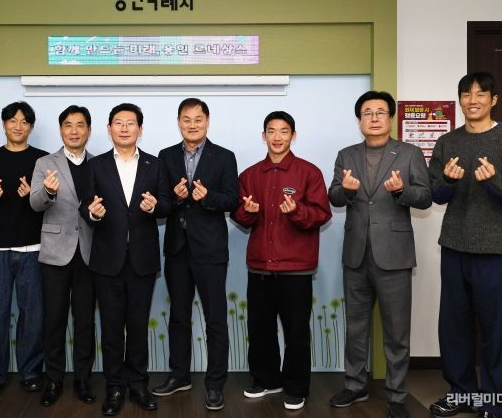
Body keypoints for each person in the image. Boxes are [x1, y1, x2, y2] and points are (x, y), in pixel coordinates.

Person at [428, 72, 502, 418]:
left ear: (494, 100)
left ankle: (495, 402)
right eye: (466, 94)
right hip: (454, 248)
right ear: (459, 99)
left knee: (495, 329)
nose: (472, 100)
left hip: (495, 252)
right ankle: (461, 394)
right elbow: (435, 195)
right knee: (453, 328)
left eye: (480, 94)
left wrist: (494, 182)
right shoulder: (447, 142)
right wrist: (447, 181)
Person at [328, 91, 432, 418]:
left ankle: (397, 395)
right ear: (359, 120)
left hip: (395, 255)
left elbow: (425, 197)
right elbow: (334, 196)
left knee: (396, 331)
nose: (374, 118)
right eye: (367, 113)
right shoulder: (346, 155)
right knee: (355, 327)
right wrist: (346, 191)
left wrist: (401, 191)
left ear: (390, 117)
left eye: (380, 112)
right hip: (356, 254)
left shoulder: (410, 153)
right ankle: (355, 385)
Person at [231, 111, 331, 410]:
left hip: (295, 269)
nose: (277, 137)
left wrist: (297, 211)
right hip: (260, 266)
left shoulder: (309, 172)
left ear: (293, 136)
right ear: (263, 136)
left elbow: (322, 214)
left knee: (296, 331)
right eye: (271, 131)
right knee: (260, 329)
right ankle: (266, 380)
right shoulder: (249, 175)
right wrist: (248, 211)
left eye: (284, 131)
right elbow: (240, 216)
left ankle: (296, 387)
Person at [80, 103, 171, 416]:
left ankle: (138, 384)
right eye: (118, 123)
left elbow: (167, 204)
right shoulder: (96, 165)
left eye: (130, 123)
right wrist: (93, 213)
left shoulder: (155, 164)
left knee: (138, 327)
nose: (124, 128)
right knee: (111, 328)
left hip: (142, 260)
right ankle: (115, 387)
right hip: (107, 260)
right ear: (109, 129)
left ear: (140, 129)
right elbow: (86, 206)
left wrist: (155, 207)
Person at [154, 98, 239, 411]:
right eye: (186, 119)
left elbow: (232, 200)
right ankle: (180, 376)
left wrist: (208, 197)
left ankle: (215, 385)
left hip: (210, 250)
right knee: (178, 316)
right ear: (178, 122)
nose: (192, 125)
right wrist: (176, 198)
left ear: (207, 121)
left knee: (215, 319)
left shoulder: (224, 156)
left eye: (198, 119)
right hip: (177, 248)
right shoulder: (165, 156)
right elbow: (161, 203)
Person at [0, 101, 48, 396]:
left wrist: (33, 197)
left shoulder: (42, 159)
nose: (18, 126)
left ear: (31, 126)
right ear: (4, 124)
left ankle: (31, 372)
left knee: (33, 315)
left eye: (24, 121)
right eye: (13, 121)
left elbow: (49, 204)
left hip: (33, 247)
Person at [30, 105, 97, 407]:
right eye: (68, 125)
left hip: (89, 252)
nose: (74, 131)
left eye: (80, 125)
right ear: (61, 130)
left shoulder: (99, 164)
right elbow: (35, 203)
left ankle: (83, 380)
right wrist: (48, 191)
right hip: (56, 253)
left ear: (89, 131)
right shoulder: (45, 163)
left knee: (85, 321)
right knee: (54, 319)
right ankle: (54, 380)